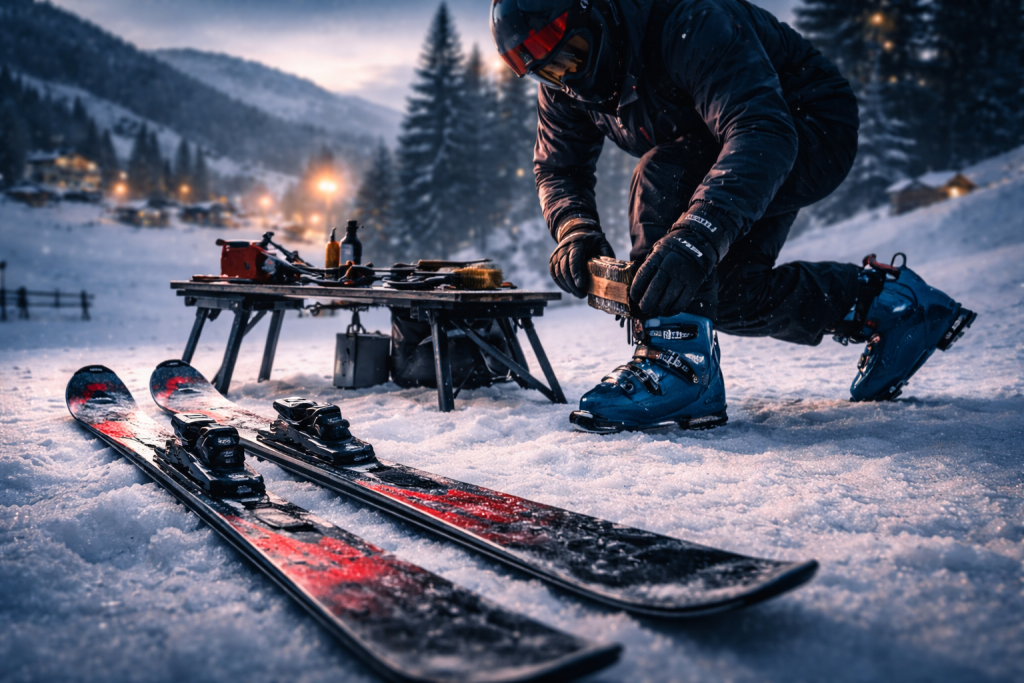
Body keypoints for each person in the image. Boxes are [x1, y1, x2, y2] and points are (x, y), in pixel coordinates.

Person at [490, 0, 976, 433]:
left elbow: (761, 130)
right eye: (547, 71)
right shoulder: (566, 84)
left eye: (571, 50)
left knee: (664, 175)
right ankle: (886, 304)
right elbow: (558, 166)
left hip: (805, 123)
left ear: (594, 12)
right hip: (726, 142)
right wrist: (575, 229)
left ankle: (680, 364)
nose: (568, 74)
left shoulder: (687, 20)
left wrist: (694, 236)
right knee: (728, 292)